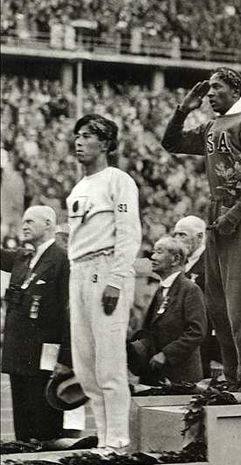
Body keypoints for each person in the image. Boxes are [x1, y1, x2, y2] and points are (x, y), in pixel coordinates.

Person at [161, 67, 241, 392]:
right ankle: (232, 375)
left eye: (217, 88)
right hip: (218, 211)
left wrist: (234, 215)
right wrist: (183, 110)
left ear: (236, 92)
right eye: (208, 88)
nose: (210, 93)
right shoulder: (213, 126)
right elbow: (172, 142)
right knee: (218, 305)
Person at [67, 114, 142, 453]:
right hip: (79, 271)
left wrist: (116, 279)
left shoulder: (118, 180)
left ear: (107, 144)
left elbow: (129, 232)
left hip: (105, 267)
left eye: (87, 136)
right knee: (86, 366)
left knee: (109, 362)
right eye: (77, 135)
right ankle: (103, 438)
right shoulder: (79, 187)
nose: (79, 141)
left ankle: (119, 441)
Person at [1, 206, 71, 442]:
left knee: (45, 424)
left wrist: (66, 358)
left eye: (30, 221)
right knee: (22, 426)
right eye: (23, 221)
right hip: (17, 352)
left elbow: (69, 313)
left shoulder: (62, 259)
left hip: (45, 353)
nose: (25, 225)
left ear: (49, 224)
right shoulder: (22, 257)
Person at [128, 236, 207, 385]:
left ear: (175, 259)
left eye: (159, 252)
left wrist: (166, 354)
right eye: (153, 252)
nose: (152, 257)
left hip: (180, 378)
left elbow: (196, 332)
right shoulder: (161, 290)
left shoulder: (190, 289)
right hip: (155, 375)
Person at [173, 215, 222, 378]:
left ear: (200, 236)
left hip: (203, 335)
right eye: (175, 235)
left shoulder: (212, 261)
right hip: (182, 335)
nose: (177, 239)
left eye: (182, 235)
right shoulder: (180, 262)